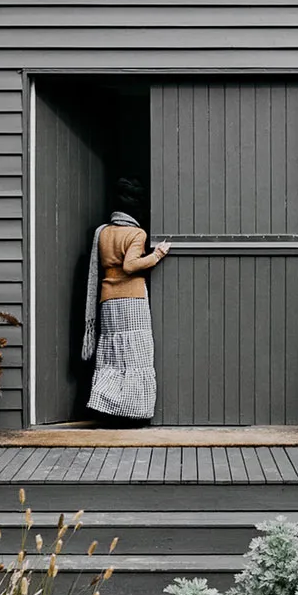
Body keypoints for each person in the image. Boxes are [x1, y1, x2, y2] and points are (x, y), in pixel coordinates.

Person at [81, 178, 170, 424]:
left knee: (112, 354)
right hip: (132, 299)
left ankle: (106, 404)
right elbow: (130, 265)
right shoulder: (136, 233)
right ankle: (133, 411)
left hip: (107, 300)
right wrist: (157, 255)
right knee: (136, 354)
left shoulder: (103, 232)